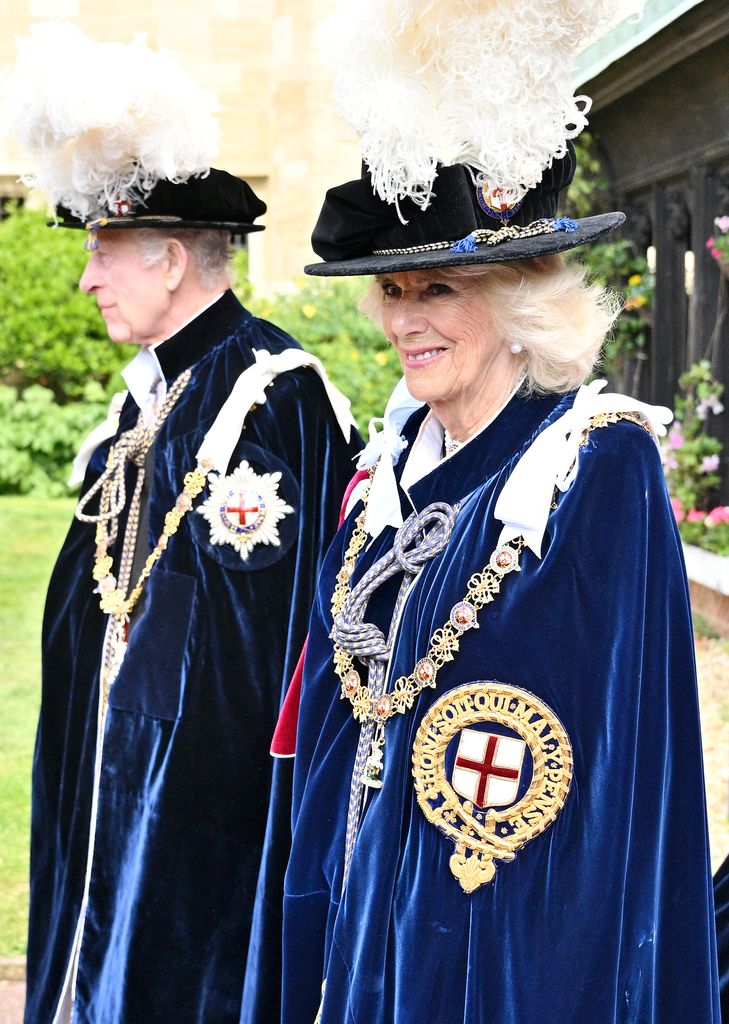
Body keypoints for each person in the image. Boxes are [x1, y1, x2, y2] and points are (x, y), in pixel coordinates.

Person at [279, 2, 721, 1021]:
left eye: (439, 286)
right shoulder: (390, 470)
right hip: (364, 927)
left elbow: (609, 776)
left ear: (522, 294)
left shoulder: (593, 467)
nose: (405, 318)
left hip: (506, 954)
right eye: (392, 289)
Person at [5, 24, 360, 1024]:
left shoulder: (266, 393)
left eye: (103, 252)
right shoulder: (154, 395)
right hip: (114, 787)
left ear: (170, 260)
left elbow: (250, 671)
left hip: (190, 831)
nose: (86, 278)